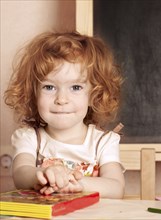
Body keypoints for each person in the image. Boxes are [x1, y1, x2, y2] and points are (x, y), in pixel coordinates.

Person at [4, 31, 125, 199]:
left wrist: (78, 184)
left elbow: (116, 187)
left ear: (94, 95)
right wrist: (43, 175)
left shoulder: (103, 142)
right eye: (49, 87)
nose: (61, 99)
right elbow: (21, 174)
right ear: (34, 94)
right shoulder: (30, 138)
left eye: (76, 87)